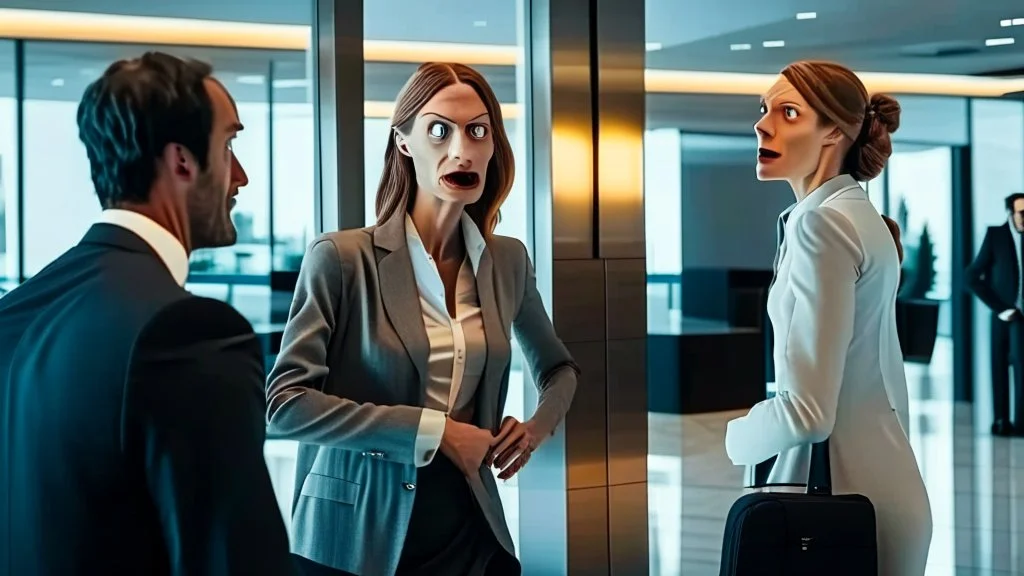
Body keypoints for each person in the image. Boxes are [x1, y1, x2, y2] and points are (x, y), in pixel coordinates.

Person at [267, 61, 579, 576]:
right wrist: (435, 432)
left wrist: (532, 430)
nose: (462, 149)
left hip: (468, 520)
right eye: (440, 130)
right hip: (356, 534)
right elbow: (285, 404)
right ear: (405, 143)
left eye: (479, 131)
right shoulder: (341, 259)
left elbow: (559, 369)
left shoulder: (507, 261)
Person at [0, 52, 294, 575]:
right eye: (229, 146)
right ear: (182, 160)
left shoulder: (18, 313)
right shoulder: (190, 333)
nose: (242, 176)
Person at [723, 60, 932, 575]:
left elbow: (807, 413)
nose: (763, 124)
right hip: (875, 492)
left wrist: (736, 436)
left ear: (835, 131)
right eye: (764, 109)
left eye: (788, 112)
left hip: (842, 509)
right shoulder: (855, 215)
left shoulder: (821, 225)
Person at [965, 192, 1024, 436]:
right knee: (998, 367)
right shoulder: (996, 235)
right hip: (1003, 314)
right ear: (1011, 213)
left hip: (1022, 319)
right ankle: (1000, 420)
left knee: (1022, 370)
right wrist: (1000, 308)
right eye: (1021, 212)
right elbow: (972, 277)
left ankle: (1021, 424)